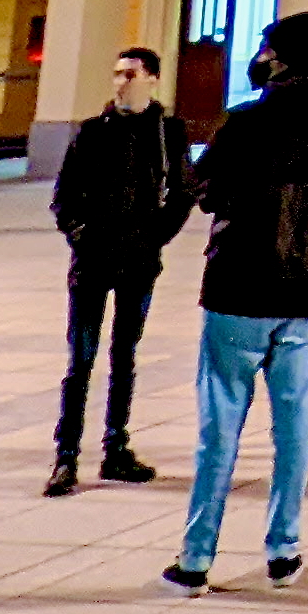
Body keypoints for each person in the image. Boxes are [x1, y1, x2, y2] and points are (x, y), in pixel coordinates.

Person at [162, 10, 308, 597]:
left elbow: (203, 189)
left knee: (219, 428)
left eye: (266, 48)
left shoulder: (245, 122)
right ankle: (283, 552)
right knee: (293, 425)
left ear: (279, 57)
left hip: (239, 289)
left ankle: (196, 559)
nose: (259, 57)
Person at [45, 46, 192, 497]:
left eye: (130, 74)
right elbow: (63, 198)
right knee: (80, 361)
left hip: (139, 263)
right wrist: (81, 235)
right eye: (116, 74)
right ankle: (66, 457)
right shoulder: (92, 132)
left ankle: (116, 447)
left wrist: (155, 238)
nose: (120, 82)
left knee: (124, 356)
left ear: (152, 79)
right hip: (91, 263)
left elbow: (184, 192)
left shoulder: (169, 133)